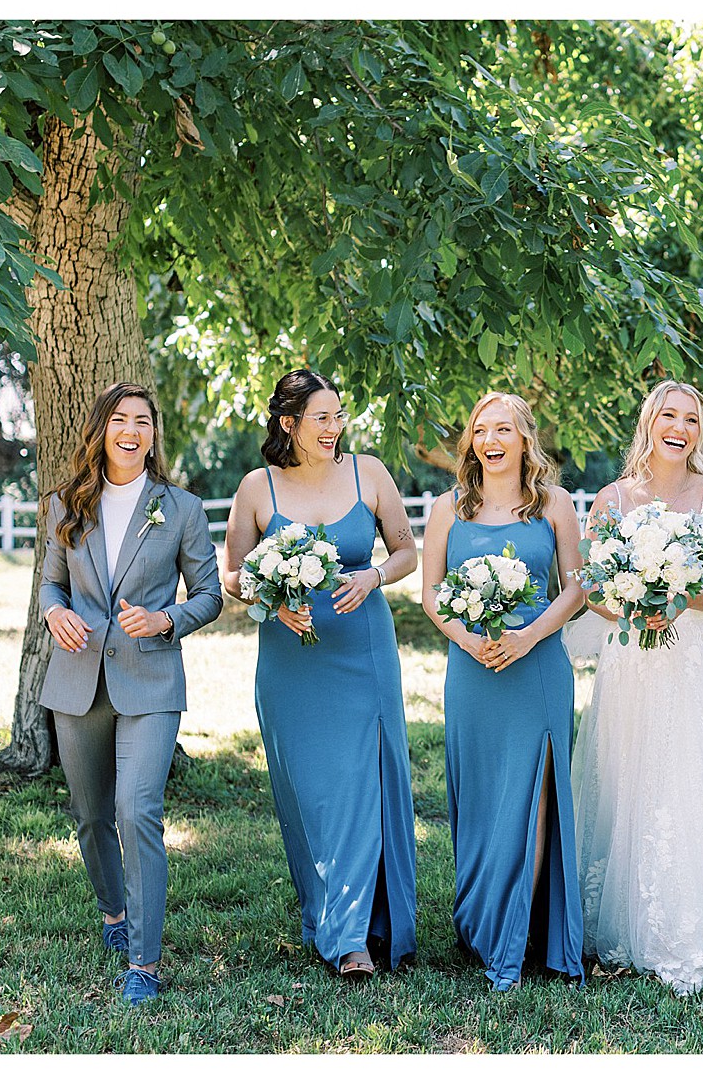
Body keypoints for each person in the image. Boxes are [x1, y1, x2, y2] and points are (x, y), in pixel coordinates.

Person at [223, 369, 419, 980]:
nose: (335, 429)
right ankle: (330, 916)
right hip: (292, 661)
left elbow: (407, 551)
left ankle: (357, 936)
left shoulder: (371, 474)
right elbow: (230, 576)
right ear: (289, 424)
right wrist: (271, 599)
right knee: (314, 793)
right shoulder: (259, 489)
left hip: (364, 649)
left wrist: (375, 576)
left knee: (365, 783)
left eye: (339, 417)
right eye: (321, 418)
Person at [38, 382, 223, 1004]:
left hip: (149, 679)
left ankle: (143, 962)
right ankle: (115, 917)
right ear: (102, 430)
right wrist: (53, 615)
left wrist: (167, 618)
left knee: (137, 811)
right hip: (76, 678)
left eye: (142, 421)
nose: (132, 430)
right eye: (120, 419)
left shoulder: (182, 509)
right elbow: (50, 586)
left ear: (153, 434)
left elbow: (209, 597)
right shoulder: (67, 504)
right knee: (92, 817)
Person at [571, 380, 703, 995]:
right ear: (649, 424)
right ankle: (624, 927)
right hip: (633, 663)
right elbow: (591, 588)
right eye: (669, 416)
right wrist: (628, 601)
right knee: (630, 777)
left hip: (695, 662)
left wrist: (679, 598)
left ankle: (689, 931)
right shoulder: (613, 500)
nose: (680, 428)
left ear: (701, 431)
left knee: (689, 780)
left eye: (692, 419)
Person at [420, 392, 586, 991]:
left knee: (532, 799)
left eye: (503, 430)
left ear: (524, 441)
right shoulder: (447, 510)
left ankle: (512, 945)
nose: (491, 441)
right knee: (486, 797)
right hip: (472, 672)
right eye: (480, 431)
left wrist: (527, 636)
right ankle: (483, 922)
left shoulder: (556, 505)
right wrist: (468, 640)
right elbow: (431, 594)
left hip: (537, 669)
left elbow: (576, 588)